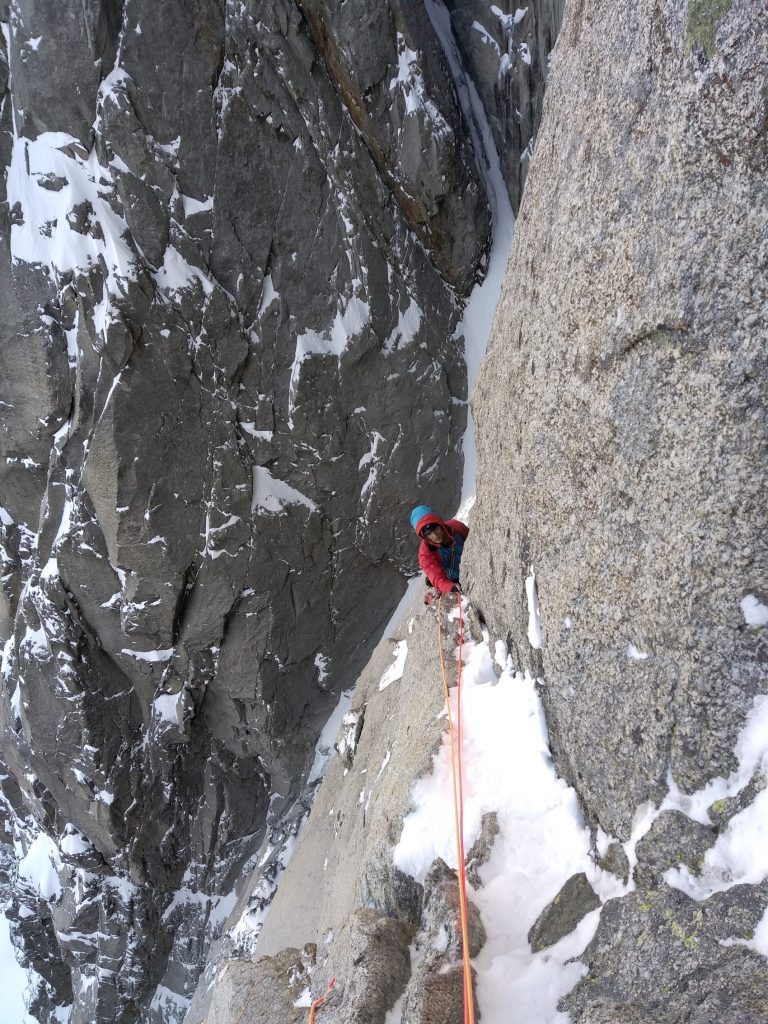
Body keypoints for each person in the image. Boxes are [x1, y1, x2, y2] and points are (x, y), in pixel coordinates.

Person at [410, 505, 469, 602]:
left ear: (440, 524)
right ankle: (433, 589)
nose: (435, 535)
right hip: (451, 580)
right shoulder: (425, 554)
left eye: (435, 529)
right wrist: (450, 588)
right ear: (423, 536)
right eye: (429, 534)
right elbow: (438, 578)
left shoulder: (456, 527)